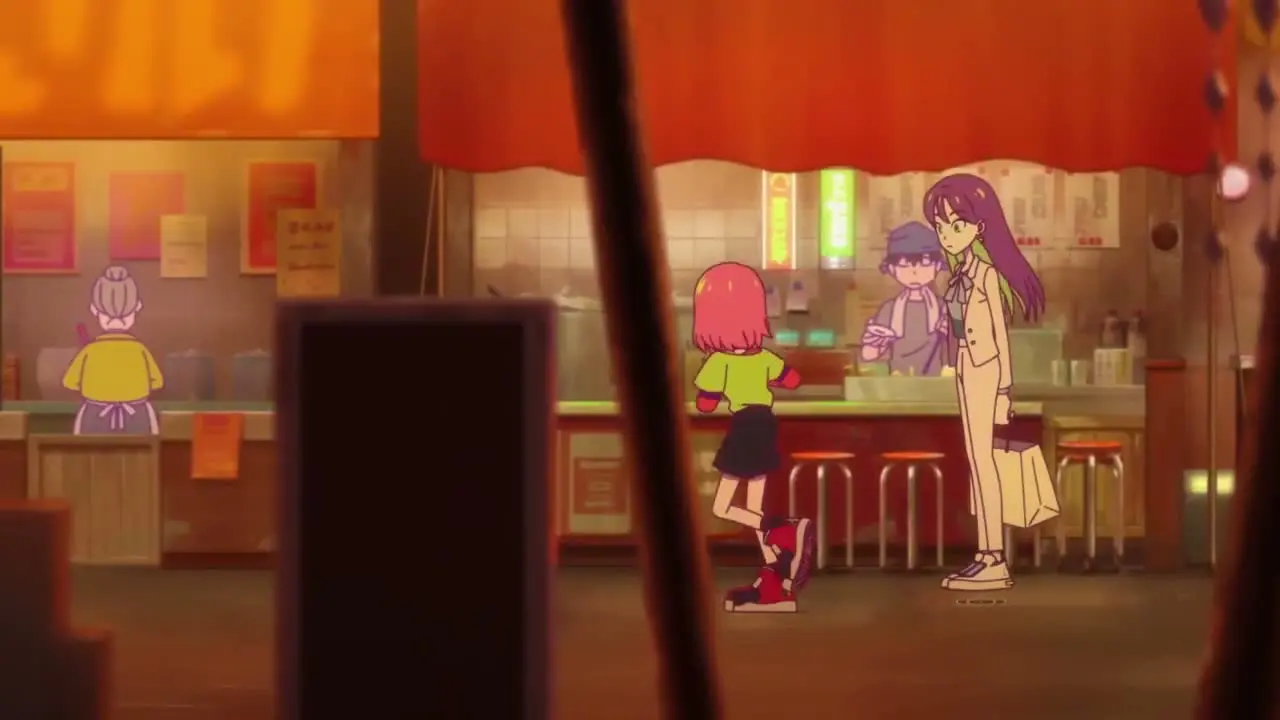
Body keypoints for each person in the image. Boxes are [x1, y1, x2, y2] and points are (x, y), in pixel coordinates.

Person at [923, 173, 1046, 591]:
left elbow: (999, 337)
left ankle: (994, 558)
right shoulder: (960, 273)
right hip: (966, 367)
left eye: (956, 224)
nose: (947, 234)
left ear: (979, 227)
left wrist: (1003, 391)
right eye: (941, 225)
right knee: (978, 463)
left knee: (985, 464)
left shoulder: (986, 276)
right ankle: (985, 554)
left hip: (984, 371)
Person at [692, 261, 817, 613]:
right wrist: (771, 376)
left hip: (744, 425)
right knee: (752, 505)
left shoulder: (719, 361)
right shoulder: (764, 357)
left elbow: (705, 403)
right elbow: (792, 379)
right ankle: (776, 582)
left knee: (723, 506)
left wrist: (714, 391)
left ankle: (780, 530)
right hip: (765, 423)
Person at [62, 266, 164, 434]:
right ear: (137, 307)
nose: (117, 320)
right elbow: (157, 382)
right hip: (138, 417)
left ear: (94, 309)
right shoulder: (140, 350)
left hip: (94, 416)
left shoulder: (90, 351)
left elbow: (70, 382)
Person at [859, 221, 948, 376]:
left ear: (937, 266)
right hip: (898, 382)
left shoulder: (943, 308)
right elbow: (868, 355)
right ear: (892, 268)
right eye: (904, 264)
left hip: (934, 384)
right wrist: (873, 343)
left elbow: (961, 351)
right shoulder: (889, 309)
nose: (914, 272)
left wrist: (952, 335)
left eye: (924, 264)